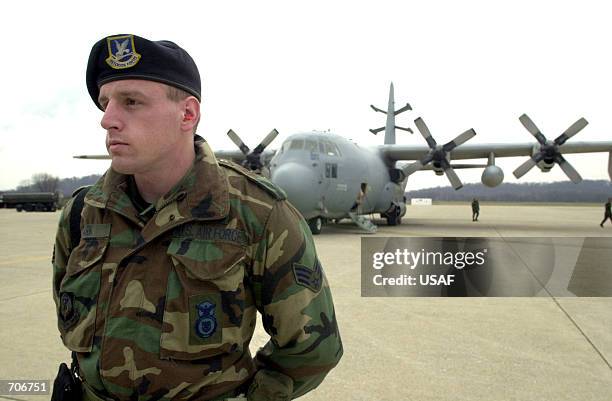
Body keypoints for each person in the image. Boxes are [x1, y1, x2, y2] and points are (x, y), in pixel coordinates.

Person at [52, 34, 342, 401]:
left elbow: (314, 348)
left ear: (187, 114)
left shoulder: (259, 215)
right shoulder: (82, 214)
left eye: (131, 102)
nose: (107, 120)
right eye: (105, 102)